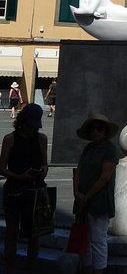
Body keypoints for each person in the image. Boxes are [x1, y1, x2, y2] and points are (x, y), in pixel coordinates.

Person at [0, 103, 48, 271]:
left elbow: (45, 164)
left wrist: (42, 171)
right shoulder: (10, 139)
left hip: (35, 188)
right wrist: (20, 176)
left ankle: (31, 268)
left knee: (35, 235)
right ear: (22, 122)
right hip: (15, 189)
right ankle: (10, 268)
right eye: (29, 125)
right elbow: (2, 168)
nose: (31, 129)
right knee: (12, 232)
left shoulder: (41, 138)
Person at [74, 113, 121, 274]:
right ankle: (86, 269)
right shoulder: (88, 148)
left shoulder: (110, 150)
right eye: (92, 129)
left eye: (99, 129)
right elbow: (78, 171)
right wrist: (77, 193)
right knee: (85, 239)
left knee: (98, 239)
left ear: (105, 131)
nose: (95, 132)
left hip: (99, 200)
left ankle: (99, 270)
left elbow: (105, 177)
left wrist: (86, 196)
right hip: (82, 199)